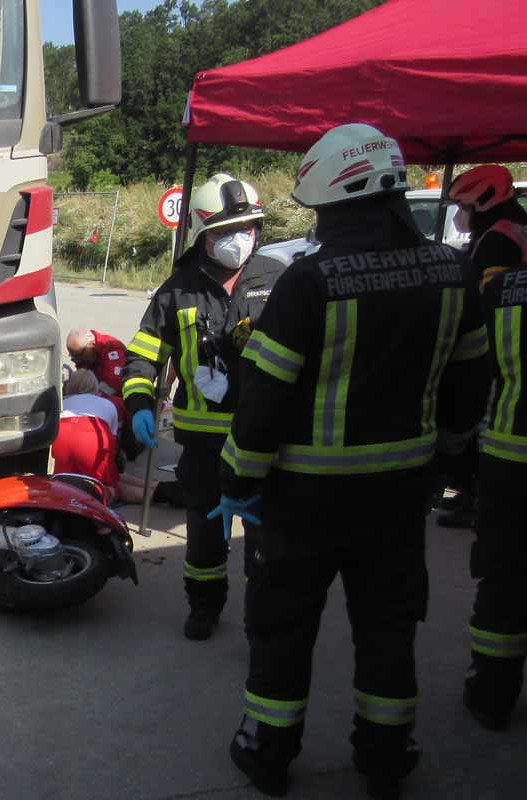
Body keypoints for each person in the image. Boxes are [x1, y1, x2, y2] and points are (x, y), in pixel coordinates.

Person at [215, 124, 490, 798]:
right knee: (389, 629)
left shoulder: (311, 281)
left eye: (322, 212)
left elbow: (264, 399)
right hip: (400, 496)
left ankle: (268, 752)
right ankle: (387, 757)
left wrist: (240, 480)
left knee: (283, 626)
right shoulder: (453, 272)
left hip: (304, 500)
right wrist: (451, 460)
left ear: (339, 199)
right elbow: (469, 385)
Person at [122, 173, 286, 641]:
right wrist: (138, 403)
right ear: (203, 234)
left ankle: (263, 617)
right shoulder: (177, 290)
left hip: (263, 440)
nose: (241, 239)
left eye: (249, 227)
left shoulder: (276, 279)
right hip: (204, 444)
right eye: (227, 231)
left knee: (262, 541)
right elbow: (143, 355)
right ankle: (204, 607)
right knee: (205, 538)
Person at [448, 164, 527, 731]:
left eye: (465, 208)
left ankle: (492, 693)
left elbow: (472, 352)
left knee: (503, 577)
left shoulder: (497, 273)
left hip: (509, 449)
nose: (459, 218)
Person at [52, 369, 126, 501]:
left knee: (64, 483)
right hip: (91, 434)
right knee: (105, 487)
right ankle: (152, 491)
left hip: (62, 434)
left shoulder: (61, 403)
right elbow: (112, 446)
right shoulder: (108, 404)